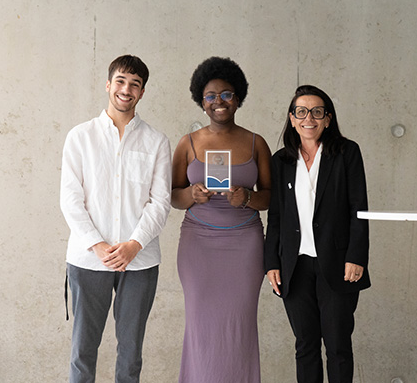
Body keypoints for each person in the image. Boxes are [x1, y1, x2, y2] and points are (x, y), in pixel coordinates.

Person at [60, 54, 171, 383]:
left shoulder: (156, 141)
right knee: (83, 350)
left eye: (135, 84)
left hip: (140, 261)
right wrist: (97, 245)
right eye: (121, 81)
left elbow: (160, 202)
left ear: (142, 92)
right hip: (87, 258)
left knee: (131, 351)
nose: (126, 89)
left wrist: (134, 245)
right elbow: (70, 199)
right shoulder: (80, 137)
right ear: (109, 84)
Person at [171, 56, 272, 383]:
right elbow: (172, 195)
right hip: (199, 245)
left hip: (245, 246)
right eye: (210, 96)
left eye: (226, 94)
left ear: (238, 98)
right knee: (200, 326)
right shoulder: (188, 144)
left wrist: (248, 199)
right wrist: (191, 196)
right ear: (201, 102)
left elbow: (270, 197)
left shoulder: (257, 143)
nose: (219, 102)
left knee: (239, 327)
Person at [264, 85, 370, 383]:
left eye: (317, 112)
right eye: (301, 111)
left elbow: (358, 209)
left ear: (327, 118)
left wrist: (356, 256)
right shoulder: (281, 160)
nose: (308, 117)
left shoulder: (346, 152)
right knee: (305, 345)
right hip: (294, 266)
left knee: (338, 346)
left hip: (337, 263)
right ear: (292, 118)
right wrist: (271, 261)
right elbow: (276, 216)